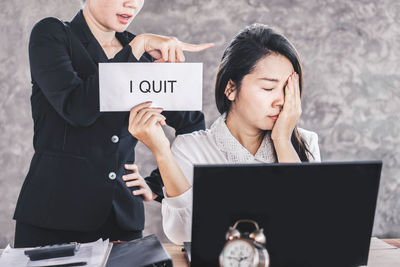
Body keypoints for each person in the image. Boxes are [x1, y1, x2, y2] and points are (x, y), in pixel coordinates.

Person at [13, 0, 213, 247]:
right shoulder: (52, 34)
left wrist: (156, 185)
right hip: (52, 219)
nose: (131, 4)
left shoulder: (145, 57)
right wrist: (136, 46)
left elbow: (193, 125)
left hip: (121, 223)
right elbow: (76, 110)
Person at [127, 24, 321, 245]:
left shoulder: (305, 143)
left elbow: (307, 225)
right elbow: (182, 234)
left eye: (287, 90)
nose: (281, 101)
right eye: (268, 88)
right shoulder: (190, 149)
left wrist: (282, 141)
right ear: (231, 88)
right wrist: (161, 152)